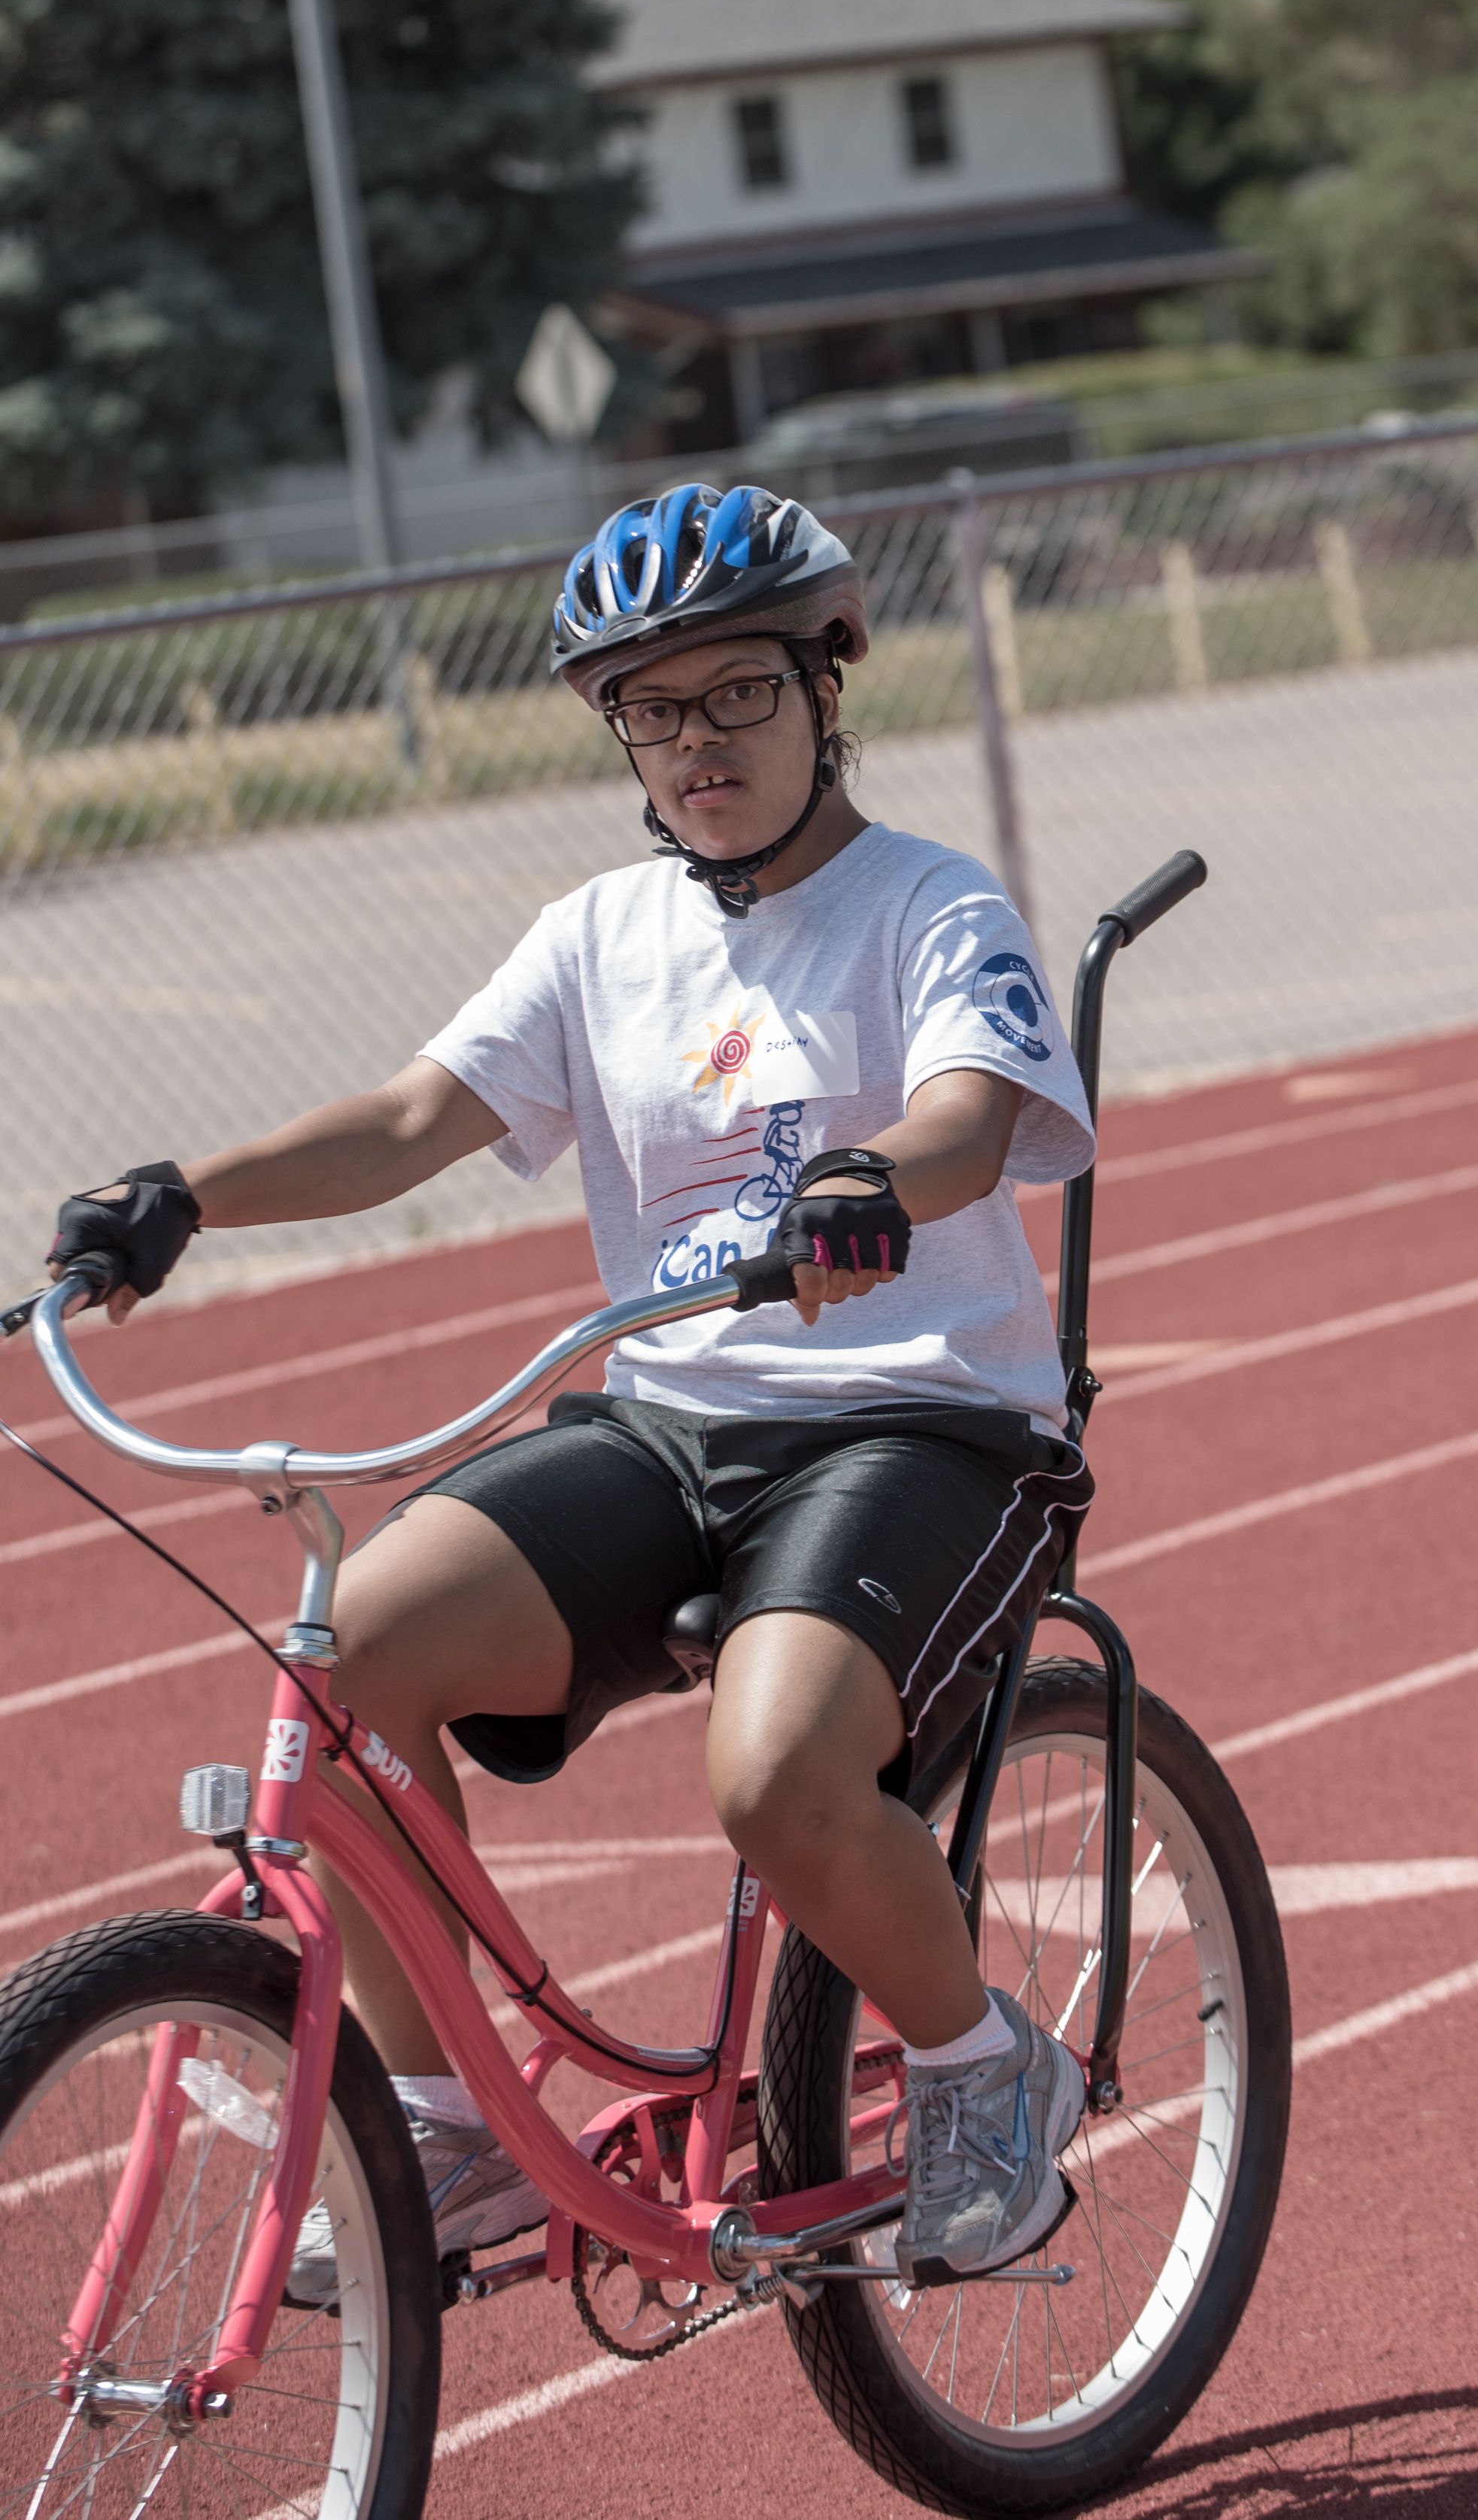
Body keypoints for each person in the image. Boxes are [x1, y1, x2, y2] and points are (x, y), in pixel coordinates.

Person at [46, 484, 1097, 2299]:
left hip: (923, 1418)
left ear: (827, 684)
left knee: (771, 1771)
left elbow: (965, 1120)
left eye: (738, 696)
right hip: (677, 1421)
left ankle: (984, 2069)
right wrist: (184, 1199)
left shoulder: (928, 902)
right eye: (653, 710)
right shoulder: (601, 932)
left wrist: (869, 1182)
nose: (697, 744)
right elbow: (405, 1121)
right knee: (349, 1654)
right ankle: (457, 2124)